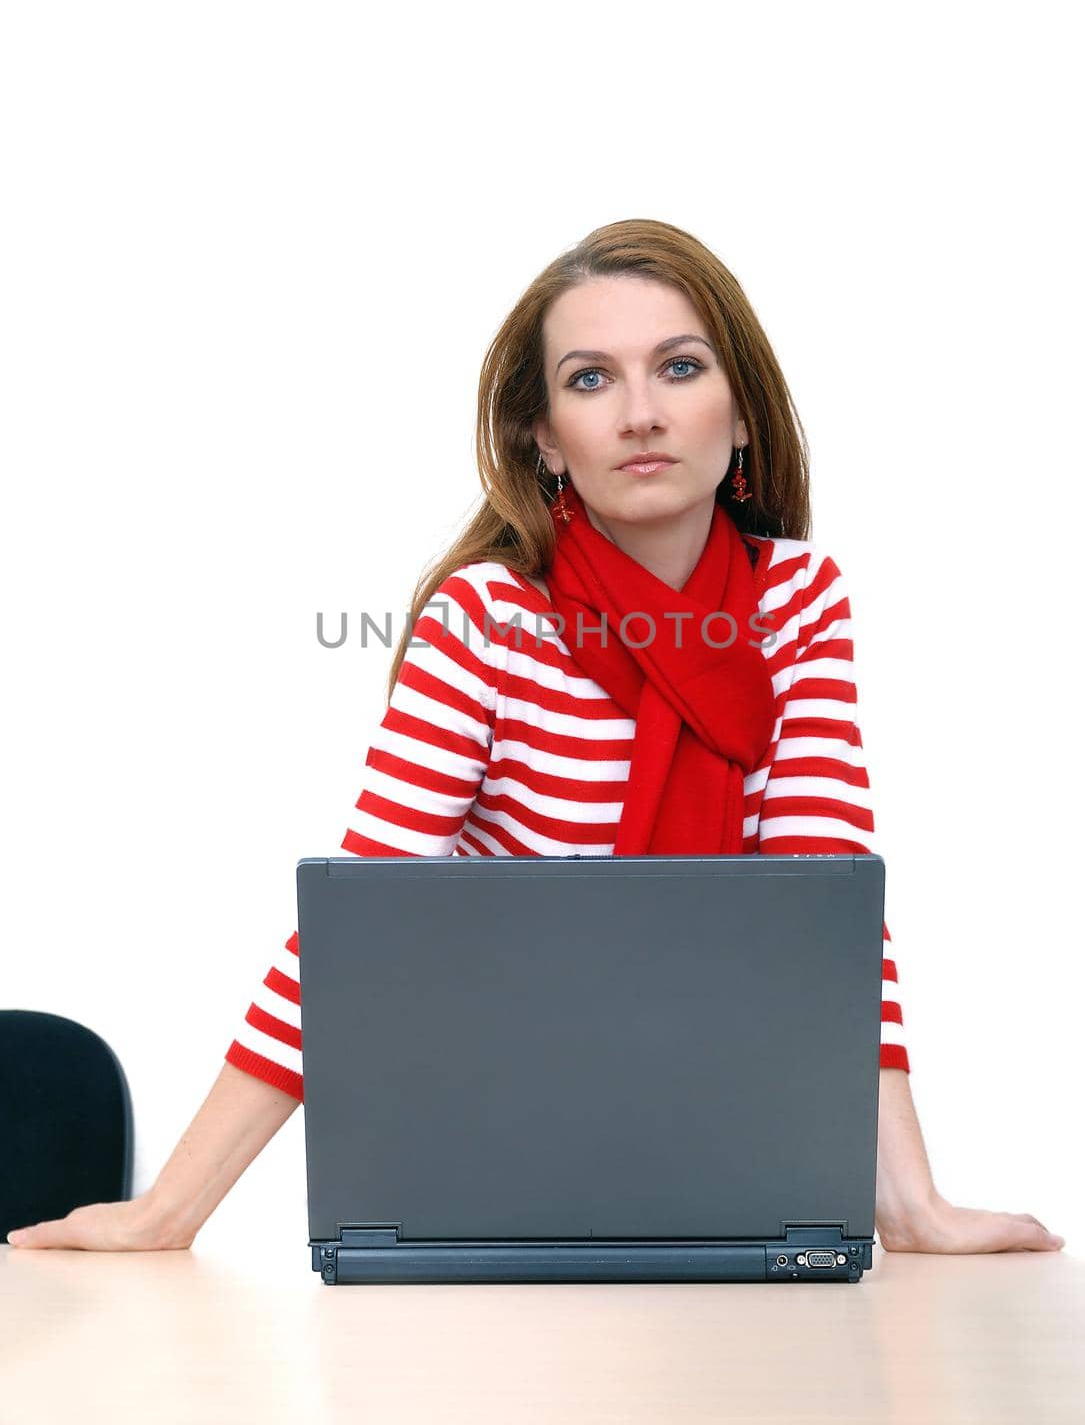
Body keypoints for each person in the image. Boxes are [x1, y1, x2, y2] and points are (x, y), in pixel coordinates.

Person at [7, 219, 1065, 1255]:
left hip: (721, 1153)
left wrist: (909, 1204)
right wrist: (168, 1213)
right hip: (485, 1153)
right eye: (591, 379)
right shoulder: (485, 618)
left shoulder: (797, 599)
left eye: (680, 368)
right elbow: (347, 941)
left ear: (740, 414)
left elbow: (826, 917)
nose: (641, 414)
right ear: (544, 435)